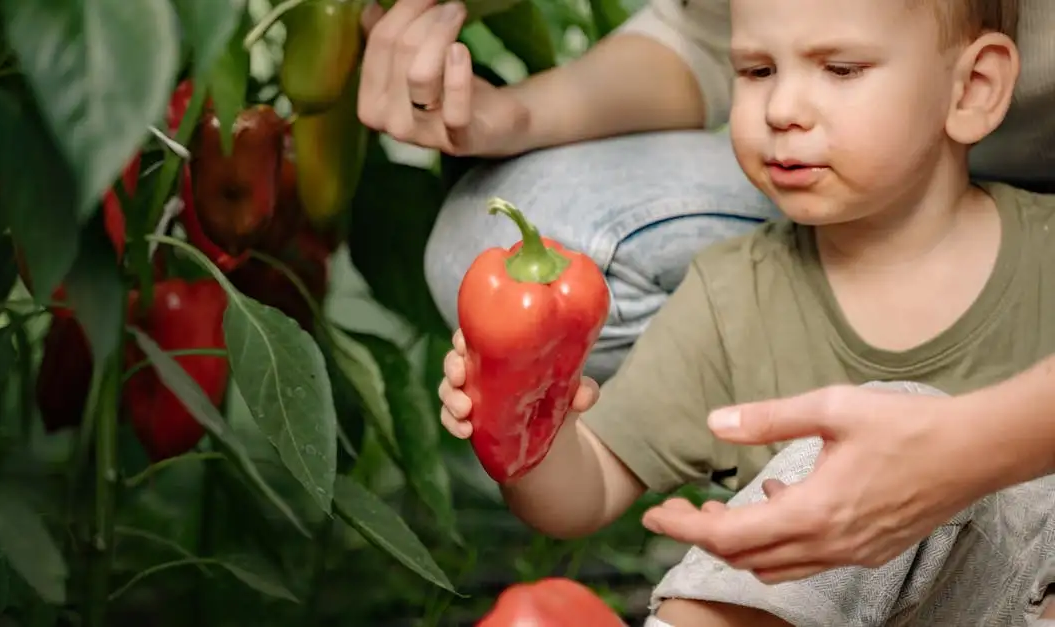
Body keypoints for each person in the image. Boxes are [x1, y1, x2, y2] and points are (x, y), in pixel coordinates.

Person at [357, 0, 1055, 576]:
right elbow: (590, 486)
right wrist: (528, 422)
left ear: (973, 88)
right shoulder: (731, 295)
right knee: (709, 583)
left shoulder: (1043, 257)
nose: (782, 107)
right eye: (755, 69)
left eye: (840, 68)